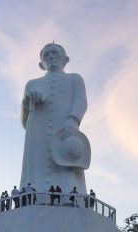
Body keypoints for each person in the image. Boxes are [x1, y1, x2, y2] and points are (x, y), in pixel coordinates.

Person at [19, 43, 88, 196]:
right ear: (41, 64)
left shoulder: (74, 79)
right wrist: (26, 102)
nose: (50, 56)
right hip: (37, 137)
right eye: (46, 55)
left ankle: (70, 196)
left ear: (66, 59)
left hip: (64, 129)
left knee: (66, 168)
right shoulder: (32, 84)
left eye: (54, 53)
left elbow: (81, 101)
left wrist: (73, 120)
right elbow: (24, 123)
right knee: (37, 168)